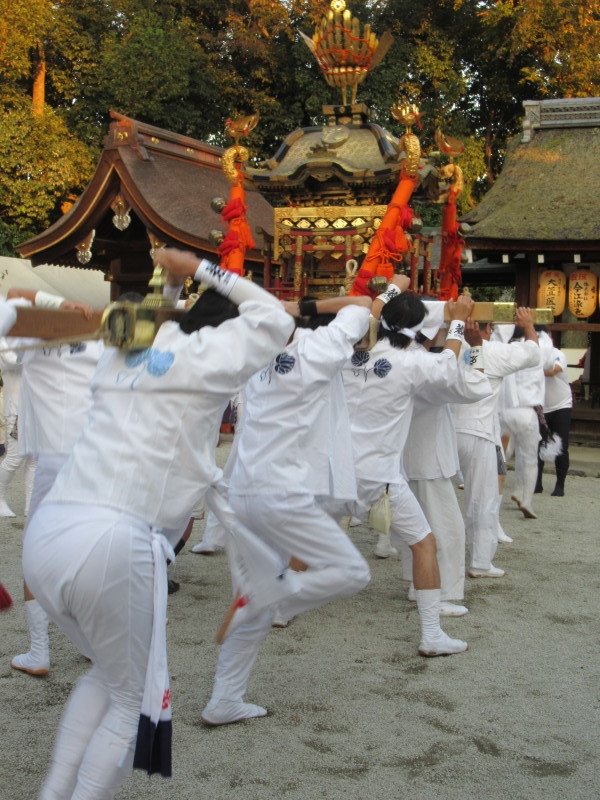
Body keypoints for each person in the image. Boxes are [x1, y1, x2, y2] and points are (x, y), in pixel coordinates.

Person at [23, 250, 295, 799]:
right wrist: (196, 266)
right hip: (112, 538)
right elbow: (274, 319)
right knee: (130, 701)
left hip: (49, 531)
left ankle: (54, 793)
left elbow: (149, 315)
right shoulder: (211, 355)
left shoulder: (126, 346)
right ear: (228, 329)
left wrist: (168, 282)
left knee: (107, 673)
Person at [202, 294, 373, 726]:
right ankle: (273, 594)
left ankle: (224, 699)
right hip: (284, 494)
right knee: (353, 573)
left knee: (254, 605)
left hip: (244, 490)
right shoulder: (317, 350)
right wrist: (304, 305)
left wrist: (290, 311)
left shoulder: (249, 357)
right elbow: (364, 302)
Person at [341, 276, 472, 656]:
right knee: (425, 542)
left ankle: (281, 608)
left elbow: (374, 316)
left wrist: (390, 291)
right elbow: (450, 364)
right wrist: (459, 323)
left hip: (337, 469)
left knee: (308, 535)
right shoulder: (414, 362)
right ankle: (431, 633)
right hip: (382, 473)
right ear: (417, 333)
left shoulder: (354, 356)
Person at [5, 287, 100, 677]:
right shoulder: (97, 344)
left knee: (35, 554)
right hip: (95, 459)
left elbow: (12, 295)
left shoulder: (31, 339)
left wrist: (56, 304)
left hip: (55, 460)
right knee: (88, 555)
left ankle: (40, 651)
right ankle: (94, 643)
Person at [402, 304, 492, 616]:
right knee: (447, 530)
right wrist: (477, 346)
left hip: (405, 457)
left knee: (418, 530)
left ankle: (419, 586)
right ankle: (439, 594)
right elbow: (478, 385)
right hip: (429, 460)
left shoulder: (399, 355)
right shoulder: (428, 367)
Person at [452, 310, 540, 578]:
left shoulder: (449, 350)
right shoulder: (493, 352)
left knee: (437, 499)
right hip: (479, 433)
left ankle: (438, 557)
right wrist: (528, 326)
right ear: (485, 329)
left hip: (446, 431)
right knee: (483, 499)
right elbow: (534, 354)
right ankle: (479, 561)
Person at [501, 325, 553, 519]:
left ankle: (512, 490)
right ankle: (526, 500)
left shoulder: (510, 346)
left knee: (503, 453)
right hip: (527, 410)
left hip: (505, 410)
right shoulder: (541, 345)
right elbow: (548, 361)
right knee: (529, 458)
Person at [537, 344, 572, 496]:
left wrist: (533, 372)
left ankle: (560, 485)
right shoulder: (532, 355)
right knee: (538, 444)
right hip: (542, 407)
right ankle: (537, 483)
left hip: (561, 405)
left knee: (561, 444)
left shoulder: (557, 354)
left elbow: (554, 371)